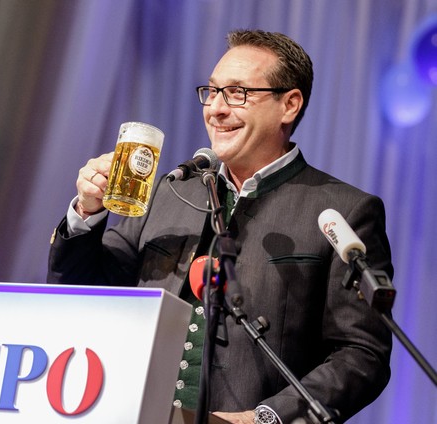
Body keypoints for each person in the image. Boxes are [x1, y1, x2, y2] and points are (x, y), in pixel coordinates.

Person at [47, 29, 392, 424]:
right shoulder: (171, 190)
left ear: (289, 105)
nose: (216, 109)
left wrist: (264, 418)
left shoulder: (342, 210)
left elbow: (362, 354)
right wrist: (86, 213)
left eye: (237, 93)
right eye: (211, 92)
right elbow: (85, 295)